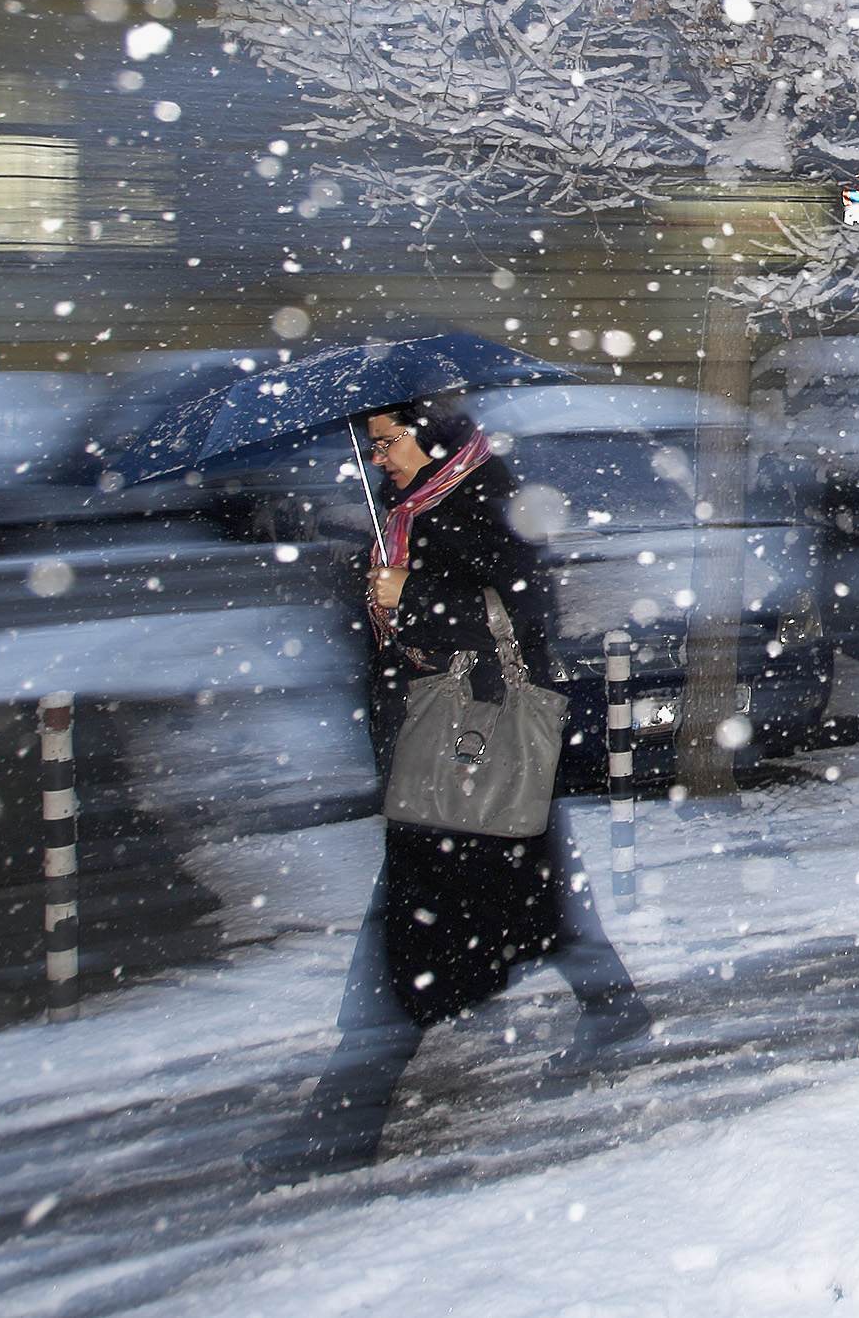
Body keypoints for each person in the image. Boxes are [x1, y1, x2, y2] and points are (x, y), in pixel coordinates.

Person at [260, 392, 644, 1180]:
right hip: (459, 751)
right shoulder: (407, 511)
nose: (377, 456)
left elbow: (520, 617)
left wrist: (415, 601)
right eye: (372, 443)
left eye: (386, 440)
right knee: (539, 896)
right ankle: (615, 1007)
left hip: (470, 744)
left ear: (430, 438)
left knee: (410, 937)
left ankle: (344, 1120)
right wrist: (375, 589)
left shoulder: (482, 502)